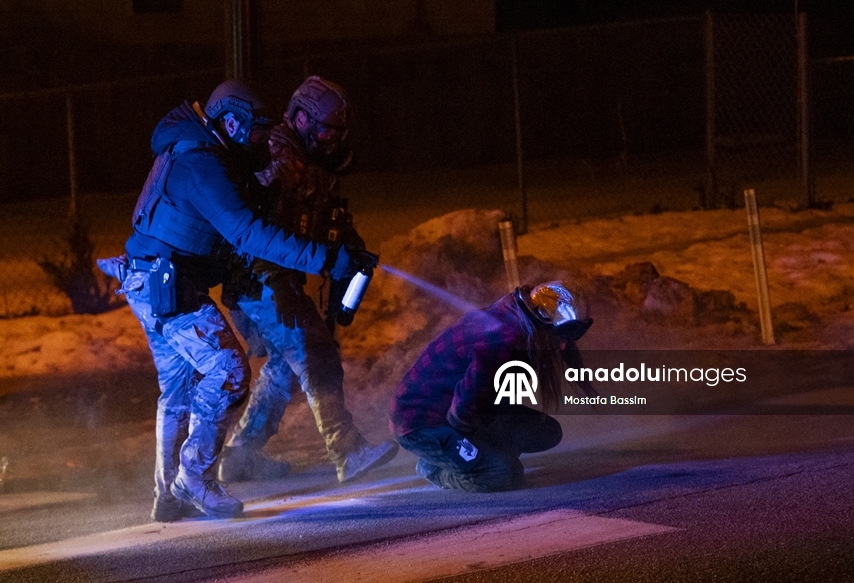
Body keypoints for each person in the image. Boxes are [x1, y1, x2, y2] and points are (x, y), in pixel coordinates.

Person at [102, 79, 372, 522]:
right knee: (228, 371)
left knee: (178, 390)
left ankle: (168, 494)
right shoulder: (202, 165)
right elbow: (248, 232)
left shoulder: (195, 152)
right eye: (255, 131)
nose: (261, 140)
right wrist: (323, 259)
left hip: (151, 279)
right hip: (170, 283)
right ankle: (195, 480)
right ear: (230, 122)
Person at [217, 76, 398, 484]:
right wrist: (314, 266)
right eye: (326, 130)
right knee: (313, 350)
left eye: (338, 133)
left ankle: (240, 455)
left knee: (285, 363)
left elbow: (321, 216)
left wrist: (348, 248)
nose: (333, 141)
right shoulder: (278, 161)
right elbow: (261, 235)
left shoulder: (305, 162)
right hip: (259, 278)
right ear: (300, 119)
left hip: (273, 278)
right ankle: (347, 451)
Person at [389, 281, 594, 492]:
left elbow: (491, 399)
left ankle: (476, 457)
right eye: (560, 337)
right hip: (422, 425)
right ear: (541, 323)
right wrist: (468, 451)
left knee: (546, 432)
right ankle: (433, 467)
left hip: (457, 411)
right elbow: (462, 407)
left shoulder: (518, 320)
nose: (563, 346)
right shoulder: (498, 340)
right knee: (502, 474)